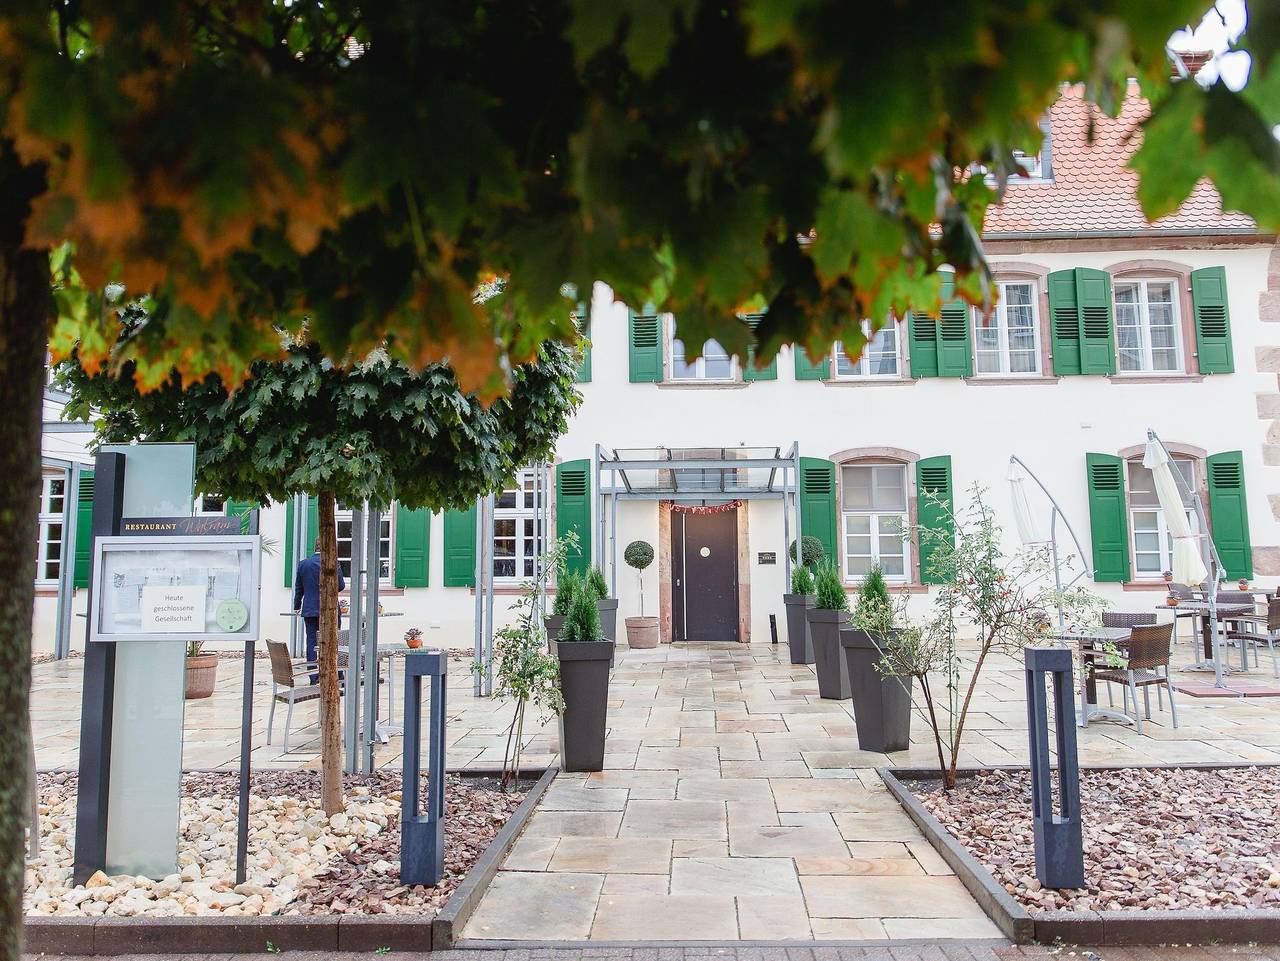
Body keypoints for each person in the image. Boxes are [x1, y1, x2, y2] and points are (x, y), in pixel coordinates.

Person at [293, 537, 346, 683]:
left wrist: (297, 606)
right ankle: (336, 673)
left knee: (311, 642)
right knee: (334, 640)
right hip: (330, 609)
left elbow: (299, 589)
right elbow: (340, 586)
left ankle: (314, 676)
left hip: (310, 609)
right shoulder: (333, 563)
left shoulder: (303, 564)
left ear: (315, 547)